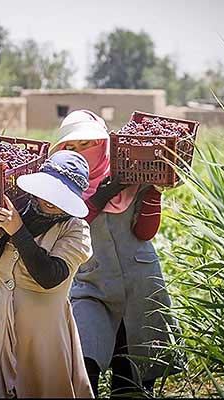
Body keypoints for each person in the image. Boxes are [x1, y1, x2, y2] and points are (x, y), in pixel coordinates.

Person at [51, 110, 183, 397]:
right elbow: (72, 225)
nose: (81, 151)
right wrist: (100, 196)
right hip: (92, 285)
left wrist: (152, 193)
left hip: (141, 283)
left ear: (104, 142)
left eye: (87, 143)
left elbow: (145, 232)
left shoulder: (134, 173)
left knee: (134, 370)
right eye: (72, 147)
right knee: (85, 360)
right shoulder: (64, 185)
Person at [0, 150, 94, 399]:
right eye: (47, 191)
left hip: (42, 335)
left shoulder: (75, 229)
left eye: (60, 196)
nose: (50, 201)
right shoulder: (19, 210)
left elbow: (49, 276)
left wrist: (17, 230)